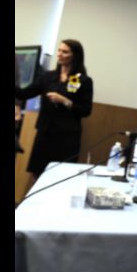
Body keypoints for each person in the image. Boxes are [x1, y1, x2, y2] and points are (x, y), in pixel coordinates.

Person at [15, 39, 93, 184]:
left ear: (75, 55)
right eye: (59, 50)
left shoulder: (83, 81)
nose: (60, 54)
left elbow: (86, 110)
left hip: (67, 137)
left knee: (61, 176)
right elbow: (23, 94)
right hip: (45, 132)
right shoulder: (48, 77)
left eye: (65, 52)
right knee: (37, 171)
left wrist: (65, 101)